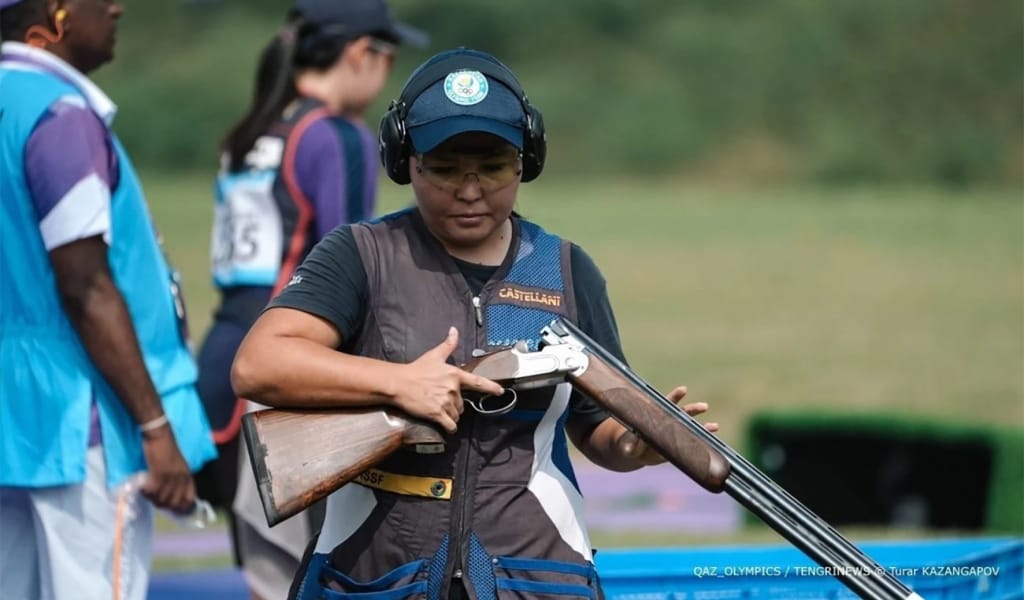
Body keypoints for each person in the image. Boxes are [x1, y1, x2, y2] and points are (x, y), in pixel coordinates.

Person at [231, 47, 718, 600]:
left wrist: (633, 446)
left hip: (533, 574)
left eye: (492, 167)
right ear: (406, 162)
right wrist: (400, 383)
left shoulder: (565, 268)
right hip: (377, 572)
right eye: (444, 169)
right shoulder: (360, 254)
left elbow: (595, 426)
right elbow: (258, 364)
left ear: (524, 163)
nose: (469, 190)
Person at [192, 0, 427, 597]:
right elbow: (352, 273)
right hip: (291, 380)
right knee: (319, 578)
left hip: (222, 371)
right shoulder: (335, 136)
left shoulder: (252, 131)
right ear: (361, 54)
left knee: (268, 580)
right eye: (388, 57)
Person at [0, 1, 217, 599]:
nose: (117, 7)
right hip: (83, 420)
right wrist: (155, 425)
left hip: (15, 420)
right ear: (56, 13)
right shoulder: (60, 117)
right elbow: (85, 285)